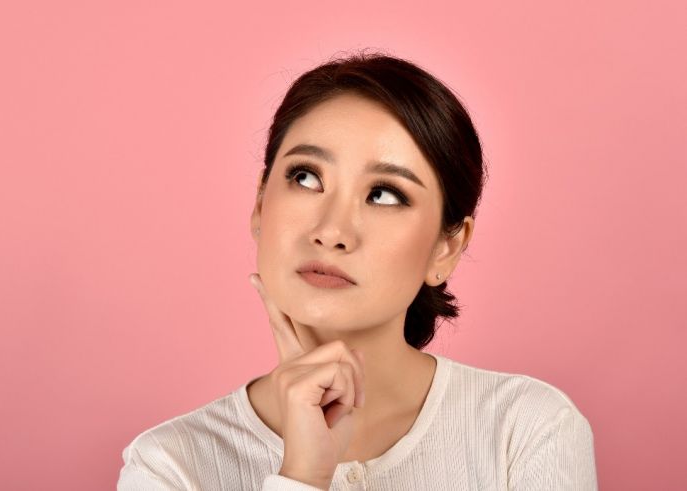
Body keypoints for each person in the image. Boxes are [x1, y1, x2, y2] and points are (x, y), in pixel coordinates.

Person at [117, 50, 598, 490]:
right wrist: (302, 475)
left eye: (385, 194)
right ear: (261, 204)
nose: (332, 231)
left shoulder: (527, 430)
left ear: (446, 248)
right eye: (305, 177)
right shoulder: (169, 466)